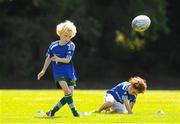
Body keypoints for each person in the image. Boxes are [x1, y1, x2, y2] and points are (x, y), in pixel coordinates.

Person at [37, 20, 79, 117]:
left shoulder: (71, 45)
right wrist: (43, 70)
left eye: (70, 36)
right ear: (60, 33)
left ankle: (52, 112)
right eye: (65, 35)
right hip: (58, 72)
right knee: (67, 92)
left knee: (69, 96)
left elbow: (68, 60)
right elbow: (48, 57)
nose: (67, 38)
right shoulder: (53, 45)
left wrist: (58, 59)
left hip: (70, 72)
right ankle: (75, 113)